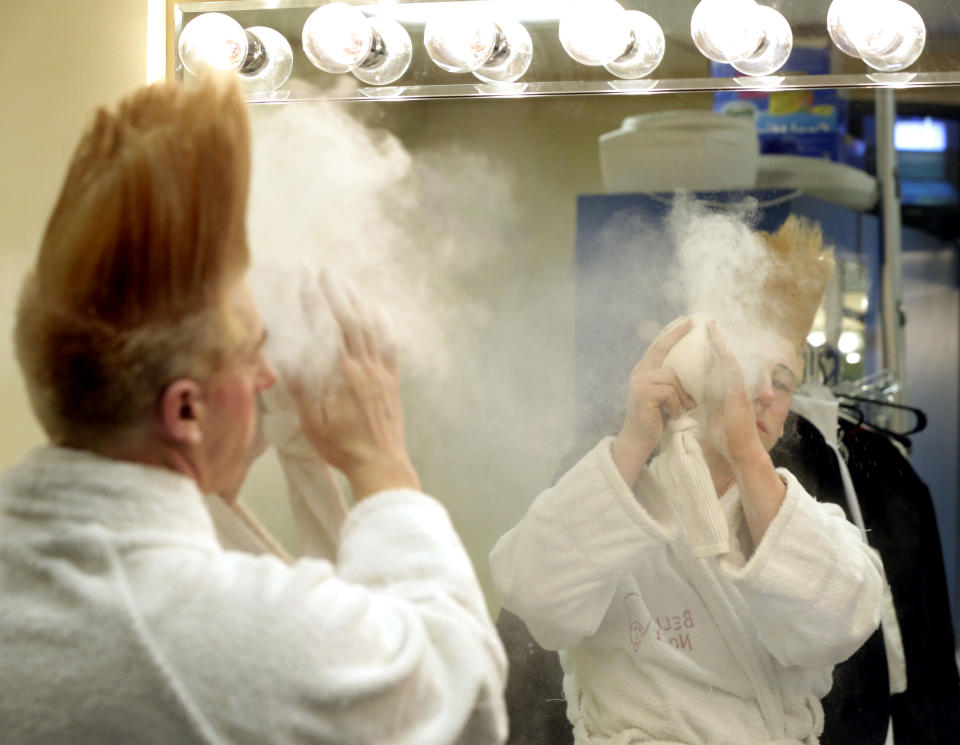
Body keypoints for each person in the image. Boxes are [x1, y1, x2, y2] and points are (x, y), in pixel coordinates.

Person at [0, 76, 508, 745]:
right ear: (184, 410)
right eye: (251, 353)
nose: (269, 374)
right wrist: (382, 464)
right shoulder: (223, 635)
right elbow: (461, 695)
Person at [489, 216, 884, 745]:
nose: (766, 394)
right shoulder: (615, 504)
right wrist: (632, 441)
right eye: (747, 370)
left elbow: (843, 622)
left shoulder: (814, 524)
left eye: (783, 381)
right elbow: (534, 595)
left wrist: (746, 456)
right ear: (695, 372)